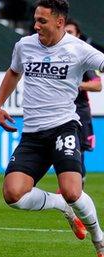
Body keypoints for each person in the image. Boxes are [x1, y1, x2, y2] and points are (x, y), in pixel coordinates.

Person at [0, 0, 104, 257]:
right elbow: (13, 72)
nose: (36, 25)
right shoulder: (25, 45)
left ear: (59, 22)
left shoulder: (79, 49)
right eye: (35, 19)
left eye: (42, 21)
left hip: (64, 127)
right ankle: (60, 206)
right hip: (32, 134)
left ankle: (99, 238)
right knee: (13, 194)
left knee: (73, 190)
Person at [65, 18, 102, 181]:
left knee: (78, 154)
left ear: (78, 35)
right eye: (65, 32)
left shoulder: (83, 57)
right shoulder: (54, 56)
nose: (67, 35)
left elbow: (97, 85)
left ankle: (75, 191)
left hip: (79, 113)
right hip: (59, 113)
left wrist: (77, 85)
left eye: (71, 32)